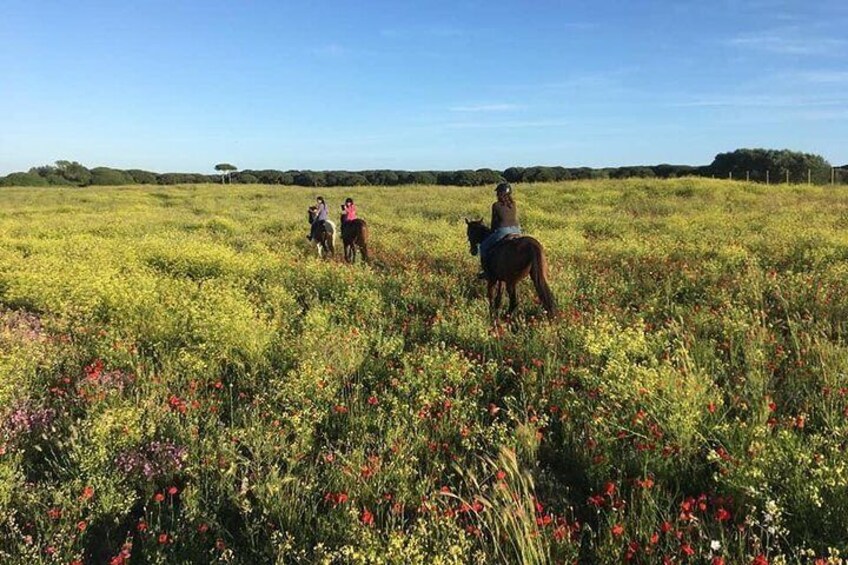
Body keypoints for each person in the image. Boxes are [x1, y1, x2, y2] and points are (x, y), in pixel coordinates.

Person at [478, 182, 522, 279]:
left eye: (497, 192)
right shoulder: (513, 204)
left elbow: (494, 222)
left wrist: (492, 232)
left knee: (483, 247)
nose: (496, 194)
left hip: (503, 231)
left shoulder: (496, 205)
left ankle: (486, 271)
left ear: (500, 193)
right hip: (517, 230)